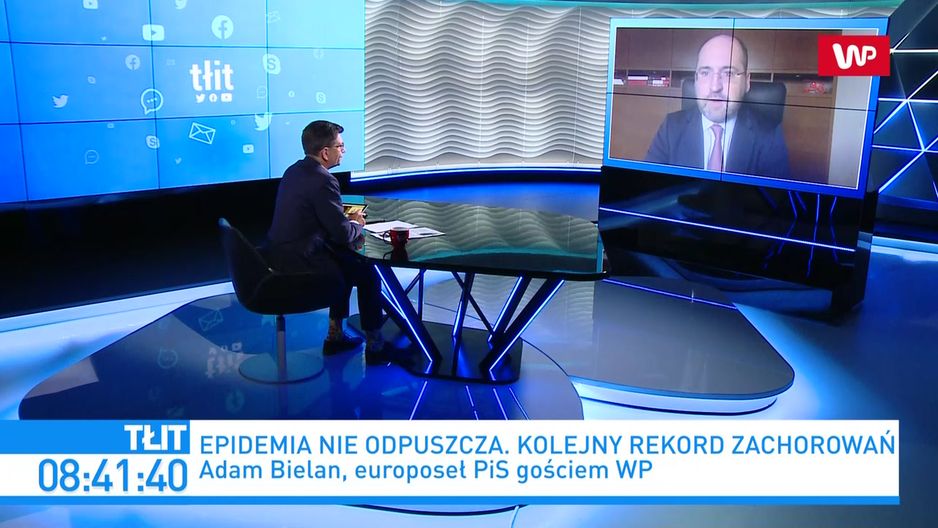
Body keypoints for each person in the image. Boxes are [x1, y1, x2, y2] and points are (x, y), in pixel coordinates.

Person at [265, 120, 387, 364]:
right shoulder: (323, 179)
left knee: (345, 261)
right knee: (367, 273)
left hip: (279, 255)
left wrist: (340, 217)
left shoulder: (294, 170)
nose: (344, 150)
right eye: (340, 146)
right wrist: (357, 223)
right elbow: (342, 234)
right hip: (303, 263)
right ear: (325, 152)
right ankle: (375, 346)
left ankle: (335, 336)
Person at [645, 34, 790, 180]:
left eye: (728, 73)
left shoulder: (770, 136)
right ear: (696, 80)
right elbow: (649, 184)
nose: (715, 87)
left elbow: (774, 194)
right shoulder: (671, 127)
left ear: (746, 82)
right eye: (705, 73)